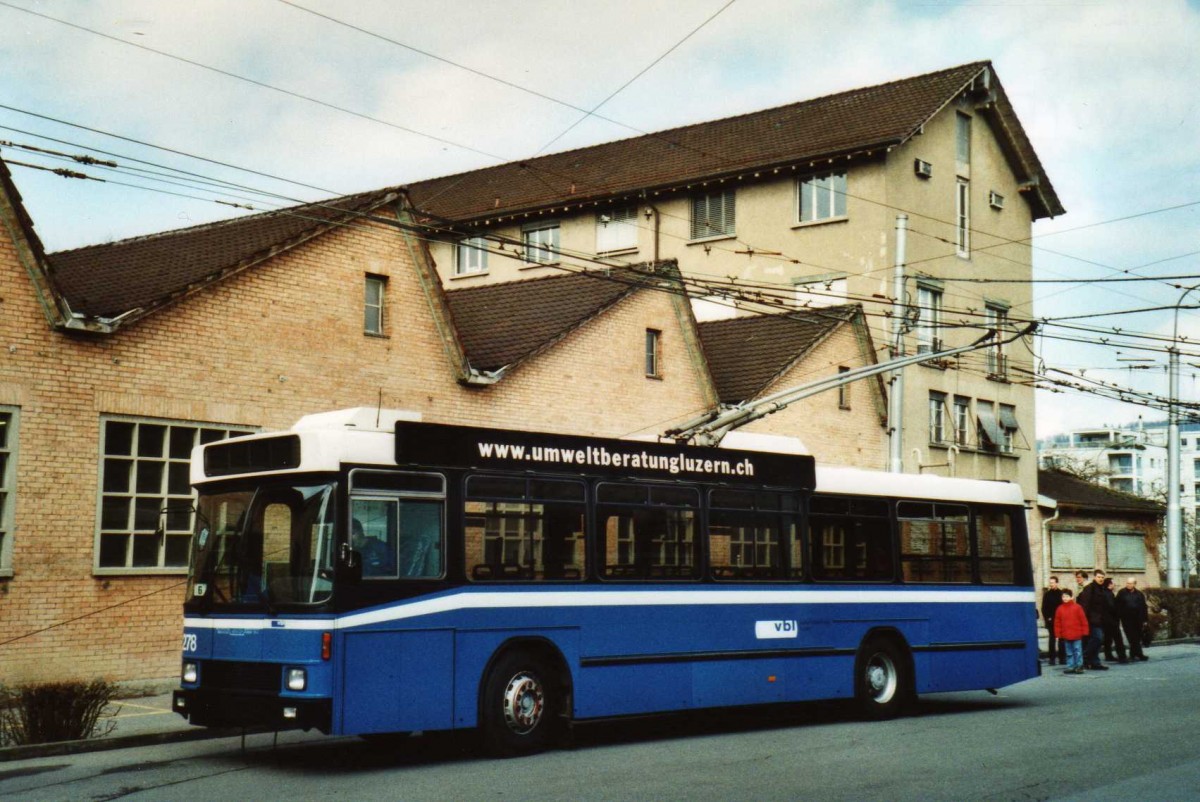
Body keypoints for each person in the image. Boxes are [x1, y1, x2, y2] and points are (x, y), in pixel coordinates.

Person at [1077, 569, 1110, 670]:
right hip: (1091, 619)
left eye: (1102, 578)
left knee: (1097, 640)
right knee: (1097, 638)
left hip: (1100, 619)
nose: (1101, 579)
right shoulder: (1090, 588)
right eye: (1099, 577)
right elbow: (1085, 605)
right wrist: (1084, 620)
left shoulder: (1102, 589)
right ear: (1095, 577)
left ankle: (1095, 662)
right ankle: (1085, 656)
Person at [1054, 588, 1089, 675]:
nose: (1065, 598)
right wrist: (1058, 634)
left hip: (1077, 634)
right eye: (1063, 596)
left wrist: (1085, 631)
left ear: (1071, 597)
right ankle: (1071, 666)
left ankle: (1079, 666)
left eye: (1067, 596)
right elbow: (1057, 622)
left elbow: (1083, 620)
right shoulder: (1060, 608)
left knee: (1077, 651)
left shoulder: (1077, 607)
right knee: (1069, 652)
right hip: (1066, 635)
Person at [1116, 577, 1150, 661]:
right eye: (1127, 583)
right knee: (1132, 637)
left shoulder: (1139, 594)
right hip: (1126, 619)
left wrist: (1145, 620)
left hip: (1138, 619)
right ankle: (1139, 654)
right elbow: (1117, 606)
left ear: (1134, 584)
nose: (1128, 585)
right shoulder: (1122, 593)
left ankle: (1134, 654)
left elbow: (1143, 607)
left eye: (1130, 583)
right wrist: (1119, 616)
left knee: (1137, 637)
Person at [1101, 576, 1128, 663]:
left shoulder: (1105, 593)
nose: (1114, 584)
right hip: (1111, 619)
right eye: (1113, 583)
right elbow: (1112, 606)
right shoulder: (1109, 594)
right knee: (1117, 638)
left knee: (1108, 638)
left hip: (1106, 619)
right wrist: (1118, 612)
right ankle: (1122, 656)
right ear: (1109, 585)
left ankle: (1108, 655)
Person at [1041, 575, 1066, 665]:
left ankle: (1062, 658)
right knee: (1052, 639)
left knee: (1061, 639)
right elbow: (1044, 608)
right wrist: (1047, 618)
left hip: (1061, 620)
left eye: (1053, 583)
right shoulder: (1047, 594)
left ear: (1057, 583)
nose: (1051, 584)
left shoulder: (1061, 593)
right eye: (1050, 583)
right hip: (1051, 620)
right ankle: (1052, 659)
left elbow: (1064, 606)